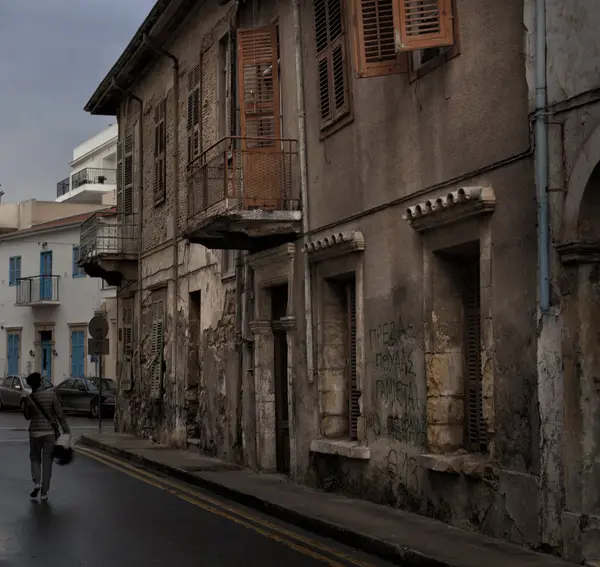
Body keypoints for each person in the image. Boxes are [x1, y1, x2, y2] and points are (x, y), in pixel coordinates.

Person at [23, 372, 70, 501]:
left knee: (35, 457)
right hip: (50, 432)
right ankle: (44, 492)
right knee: (47, 461)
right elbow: (60, 414)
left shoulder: (29, 398)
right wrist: (66, 431)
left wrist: (25, 405)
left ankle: (36, 482)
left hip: (34, 432)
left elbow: (27, 416)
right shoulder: (51, 394)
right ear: (40, 382)